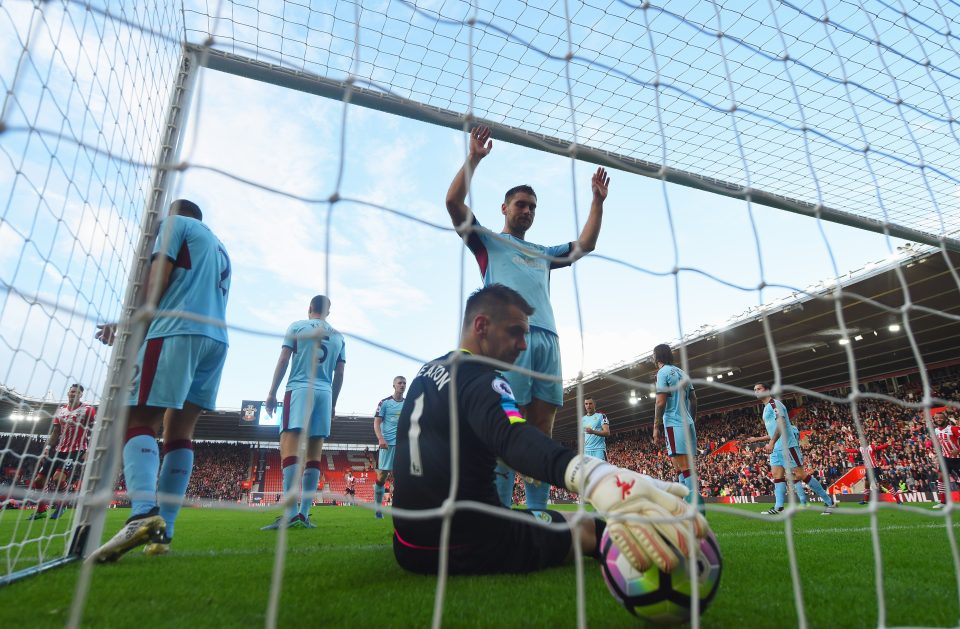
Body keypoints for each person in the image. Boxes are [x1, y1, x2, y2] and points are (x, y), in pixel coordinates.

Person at [391, 284, 708, 576]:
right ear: (481, 326)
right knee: (587, 525)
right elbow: (513, 437)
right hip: (471, 544)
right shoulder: (483, 380)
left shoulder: (428, 370)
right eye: (515, 332)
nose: (523, 344)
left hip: (407, 545)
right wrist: (594, 475)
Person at [445, 125, 610, 511]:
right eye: (521, 204)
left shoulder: (543, 252)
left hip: (548, 341)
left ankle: (537, 511)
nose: (527, 211)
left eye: (532, 206)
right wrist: (474, 158)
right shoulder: (487, 241)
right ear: (504, 208)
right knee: (505, 427)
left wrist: (597, 202)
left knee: (542, 431)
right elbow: (453, 203)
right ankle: (500, 511)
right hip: (509, 342)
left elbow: (585, 245)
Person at [90, 198, 231, 561]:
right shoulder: (220, 246)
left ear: (173, 213)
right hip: (216, 341)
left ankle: (141, 514)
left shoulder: (174, 226)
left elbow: (159, 276)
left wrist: (130, 325)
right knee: (180, 432)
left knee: (138, 420)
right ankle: (162, 533)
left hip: (175, 330)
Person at [261, 295, 345, 530]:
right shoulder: (338, 336)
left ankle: (290, 513)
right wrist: (333, 404)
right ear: (328, 312)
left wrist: (271, 392)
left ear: (310, 308)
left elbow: (285, 358)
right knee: (314, 455)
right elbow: (340, 374)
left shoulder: (297, 326)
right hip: (324, 393)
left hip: (299, 388)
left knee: (289, 446)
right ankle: (304, 515)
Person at [745, 383, 835, 515]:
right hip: (776, 447)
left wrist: (771, 443)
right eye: (754, 390)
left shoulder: (775, 404)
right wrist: (757, 439)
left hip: (787, 445)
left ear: (767, 390)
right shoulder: (765, 409)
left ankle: (829, 502)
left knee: (800, 474)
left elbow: (781, 423)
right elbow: (773, 431)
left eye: (759, 389)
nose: (756, 391)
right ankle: (779, 507)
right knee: (777, 475)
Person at [29, 384, 96, 520]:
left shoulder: (88, 410)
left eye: (77, 392)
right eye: (72, 392)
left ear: (81, 395)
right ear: (68, 393)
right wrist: (47, 449)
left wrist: (89, 449)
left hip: (77, 449)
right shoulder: (60, 411)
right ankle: (41, 511)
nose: (73, 394)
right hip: (59, 449)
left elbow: (94, 430)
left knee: (58, 478)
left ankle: (63, 504)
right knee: (38, 481)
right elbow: (56, 432)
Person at [652, 344, 700, 504]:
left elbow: (660, 402)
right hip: (688, 423)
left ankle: (696, 507)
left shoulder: (662, 372)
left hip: (673, 422)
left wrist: (656, 426)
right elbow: (694, 399)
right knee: (679, 467)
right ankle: (685, 505)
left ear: (656, 356)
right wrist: (691, 419)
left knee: (685, 467)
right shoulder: (682, 373)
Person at [373, 376, 406, 519]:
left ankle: (400, 508)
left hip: (403, 445)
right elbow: (376, 422)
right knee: (382, 477)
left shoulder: (409, 403)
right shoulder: (384, 403)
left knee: (403, 477)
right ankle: (378, 508)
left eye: (404, 383)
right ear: (394, 385)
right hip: (387, 445)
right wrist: (380, 438)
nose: (402, 385)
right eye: (400, 383)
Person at [844, 439, 903, 505]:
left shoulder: (870, 447)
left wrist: (887, 444)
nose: (860, 443)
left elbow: (879, 447)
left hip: (875, 468)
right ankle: (865, 500)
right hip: (868, 469)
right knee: (867, 484)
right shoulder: (861, 449)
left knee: (884, 484)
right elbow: (854, 451)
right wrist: (846, 450)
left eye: (861, 442)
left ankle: (898, 500)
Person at [932, 412, 960, 509]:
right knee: (940, 478)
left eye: (940, 418)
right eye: (936, 418)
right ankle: (943, 502)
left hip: (957, 459)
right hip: (945, 458)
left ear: (945, 419)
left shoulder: (953, 429)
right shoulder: (936, 431)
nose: (938, 419)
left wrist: (958, 450)